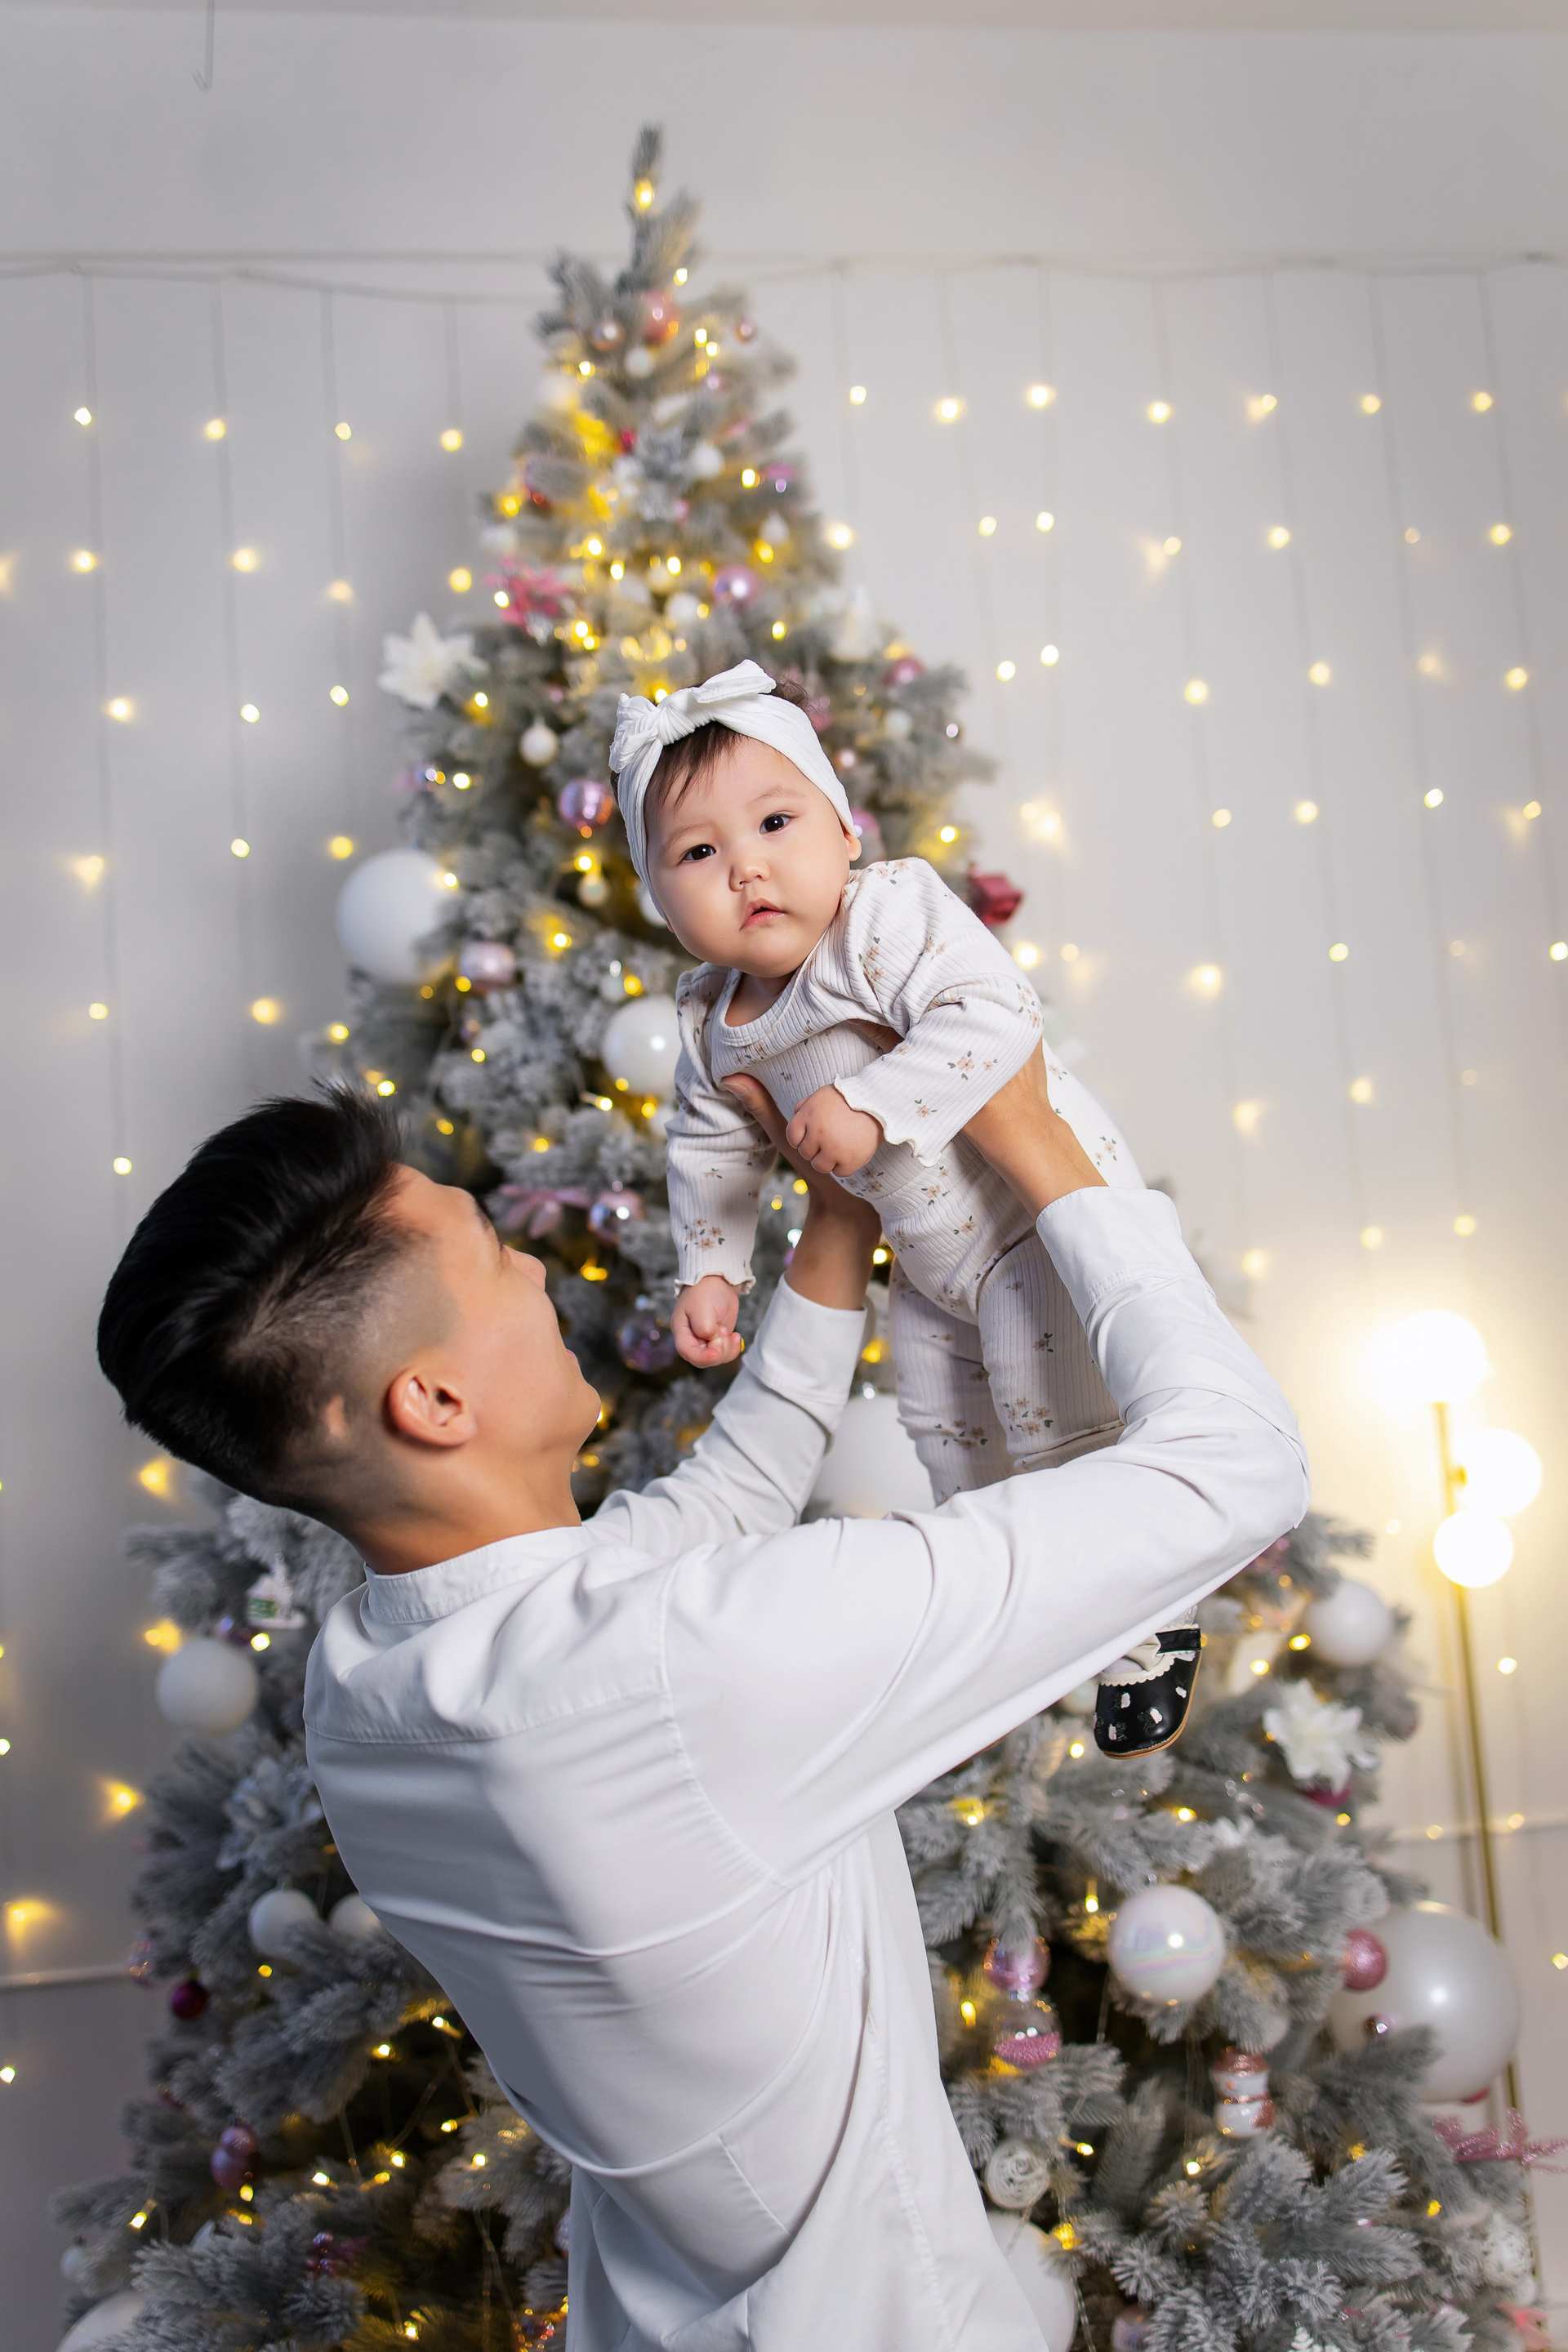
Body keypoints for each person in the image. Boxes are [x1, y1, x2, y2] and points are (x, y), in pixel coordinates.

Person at [96, 1060, 1307, 2350]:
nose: (536, 1270)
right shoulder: (678, 1671)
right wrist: (1035, 1135)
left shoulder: (370, 1684)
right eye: (496, 1256)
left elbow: (715, 1510)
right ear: (434, 1402)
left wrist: (835, 1227)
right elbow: (1239, 1471)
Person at [610, 660, 1195, 1758]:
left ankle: (1146, 1619)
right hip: (928, 1266)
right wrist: (710, 1269)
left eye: (775, 823)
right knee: (943, 1431)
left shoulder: (881, 919)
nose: (746, 867)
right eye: (696, 854)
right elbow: (713, 1150)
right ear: (658, 899)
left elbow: (996, 1012)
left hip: (1027, 1222)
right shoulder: (709, 1021)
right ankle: (1014, 1613)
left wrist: (872, 1103)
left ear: (845, 831)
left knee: (1048, 1415)